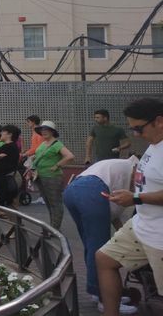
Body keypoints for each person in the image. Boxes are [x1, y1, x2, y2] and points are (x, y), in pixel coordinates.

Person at [97, 98, 163, 316]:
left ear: (159, 121)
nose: (135, 134)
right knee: (104, 259)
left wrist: (135, 198)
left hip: (159, 236)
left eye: (139, 128)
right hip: (141, 225)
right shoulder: (154, 145)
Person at [64, 157, 139, 313]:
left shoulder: (116, 165)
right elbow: (116, 205)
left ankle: (98, 291)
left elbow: (112, 212)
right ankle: (105, 299)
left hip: (72, 190)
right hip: (90, 191)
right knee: (101, 248)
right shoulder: (127, 169)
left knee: (91, 244)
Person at [27, 120, 75, 229]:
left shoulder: (56, 144)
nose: (44, 132)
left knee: (55, 203)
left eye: (47, 130)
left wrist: (57, 165)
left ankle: (55, 228)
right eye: (42, 130)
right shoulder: (43, 143)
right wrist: (35, 158)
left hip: (52, 177)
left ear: (52, 131)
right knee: (48, 202)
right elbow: (40, 155)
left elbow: (70, 156)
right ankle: (52, 226)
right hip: (40, 176)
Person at [0, 125, 22, 209]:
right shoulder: (8, 146)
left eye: (3, 132)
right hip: (6, 179)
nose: (0, 133)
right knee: (10, 205)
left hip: (9, 179)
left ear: (9, 134)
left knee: (11, 206)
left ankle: (15, 222)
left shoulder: (8, 146)